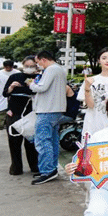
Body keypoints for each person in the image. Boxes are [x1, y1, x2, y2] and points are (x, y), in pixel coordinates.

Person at [29, 51, 70, 184]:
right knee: (52, 140)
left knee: (42, 141)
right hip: (56, 109)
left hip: (47, 109)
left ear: (43, 60)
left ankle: (47, 170)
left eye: (37, 62)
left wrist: (31, 84)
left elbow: (42, 87)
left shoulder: (51, 69)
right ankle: (51, 168)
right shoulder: (59, 69)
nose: (38, 65)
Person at [3, 56, 40, 174]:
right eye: (27, 66)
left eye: (32, 66)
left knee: (31, 142)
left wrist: (30, 86)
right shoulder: (15, 77)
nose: (29, 68)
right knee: (14, 141)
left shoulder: (40, 78)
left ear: (37, 66)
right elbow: (5, 93)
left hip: (31, 113)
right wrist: (11, 87)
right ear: (23, 65)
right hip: (14, 113)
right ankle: (16, 167)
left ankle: (34, 166)